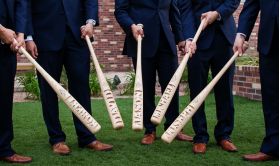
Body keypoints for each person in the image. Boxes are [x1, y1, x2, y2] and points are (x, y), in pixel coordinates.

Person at [25, 0, 112, 155]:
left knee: (81, 87)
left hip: (77, 36)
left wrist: (90, 22)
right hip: (45, 37)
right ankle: (57, 139)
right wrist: (28, 37)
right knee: (49, 90)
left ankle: (87, 137)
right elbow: (25, 4)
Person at [115, 0, 194, 145]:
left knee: (171, 86)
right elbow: (120, 11)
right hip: (141, 40)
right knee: (146, 88)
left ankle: (173, 127)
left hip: (166, 41)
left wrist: (180, 39)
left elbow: (172, 11)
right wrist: (131, 26)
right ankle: (150, 130)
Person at [179, 0, 240, 154]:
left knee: (225, 89)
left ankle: (224, 135)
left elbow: (233, 1)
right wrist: (189, 38)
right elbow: (185, 8)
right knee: (196, 90)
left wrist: (217, 14)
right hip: (197, 40)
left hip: (225, 38)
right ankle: (200, 136)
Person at [233, 0, 279, 161]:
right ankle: (273, 147)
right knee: (271, 97)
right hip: (270, 41)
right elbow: (252, 4)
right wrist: (241, 34)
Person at [0, 0, 33, 163]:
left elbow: (21, 4)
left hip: (6, 48)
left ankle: (4, 148)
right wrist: (1, 30)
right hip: (3, 33)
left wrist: (20, 34)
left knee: (4, 99)